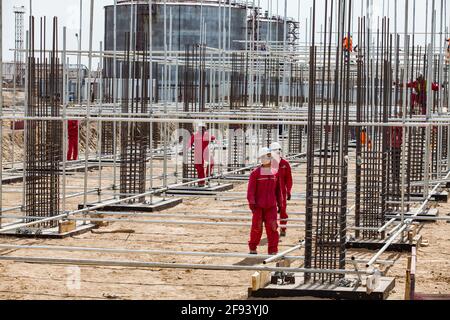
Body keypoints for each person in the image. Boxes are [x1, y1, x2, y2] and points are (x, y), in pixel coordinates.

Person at [247, 147, 282, 255]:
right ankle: (253, 247)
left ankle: (273, 250)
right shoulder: (255, 174)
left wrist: (280, 204)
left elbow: (278, 190)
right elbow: (250, 191)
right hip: (258, 206)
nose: (269, 159)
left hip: (271, 206)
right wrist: (252, 204)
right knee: (256, 227)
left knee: (272, 228)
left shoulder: (275, 173)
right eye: (267, 156)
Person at [270, 142, 293, 237]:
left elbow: (289, 179)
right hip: (271, 191)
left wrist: (288, 191)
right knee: (271, 211)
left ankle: (283, 229)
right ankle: (273, 228)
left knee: (283, 210)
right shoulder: (268, 164)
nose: (277, 154)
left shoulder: (285, 164)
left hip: (282, 192)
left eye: (278, 152)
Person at [189, 122, 216, 187]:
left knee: (210, 163)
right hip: (199, 153)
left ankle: (206, 176)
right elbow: (189, 143)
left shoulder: (200, 135)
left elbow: (213, 138)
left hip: (204, 152)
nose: (202, 129)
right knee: (200, 168)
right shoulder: (197, 135)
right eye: (202, 128)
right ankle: (202, 182)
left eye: (203, 128)